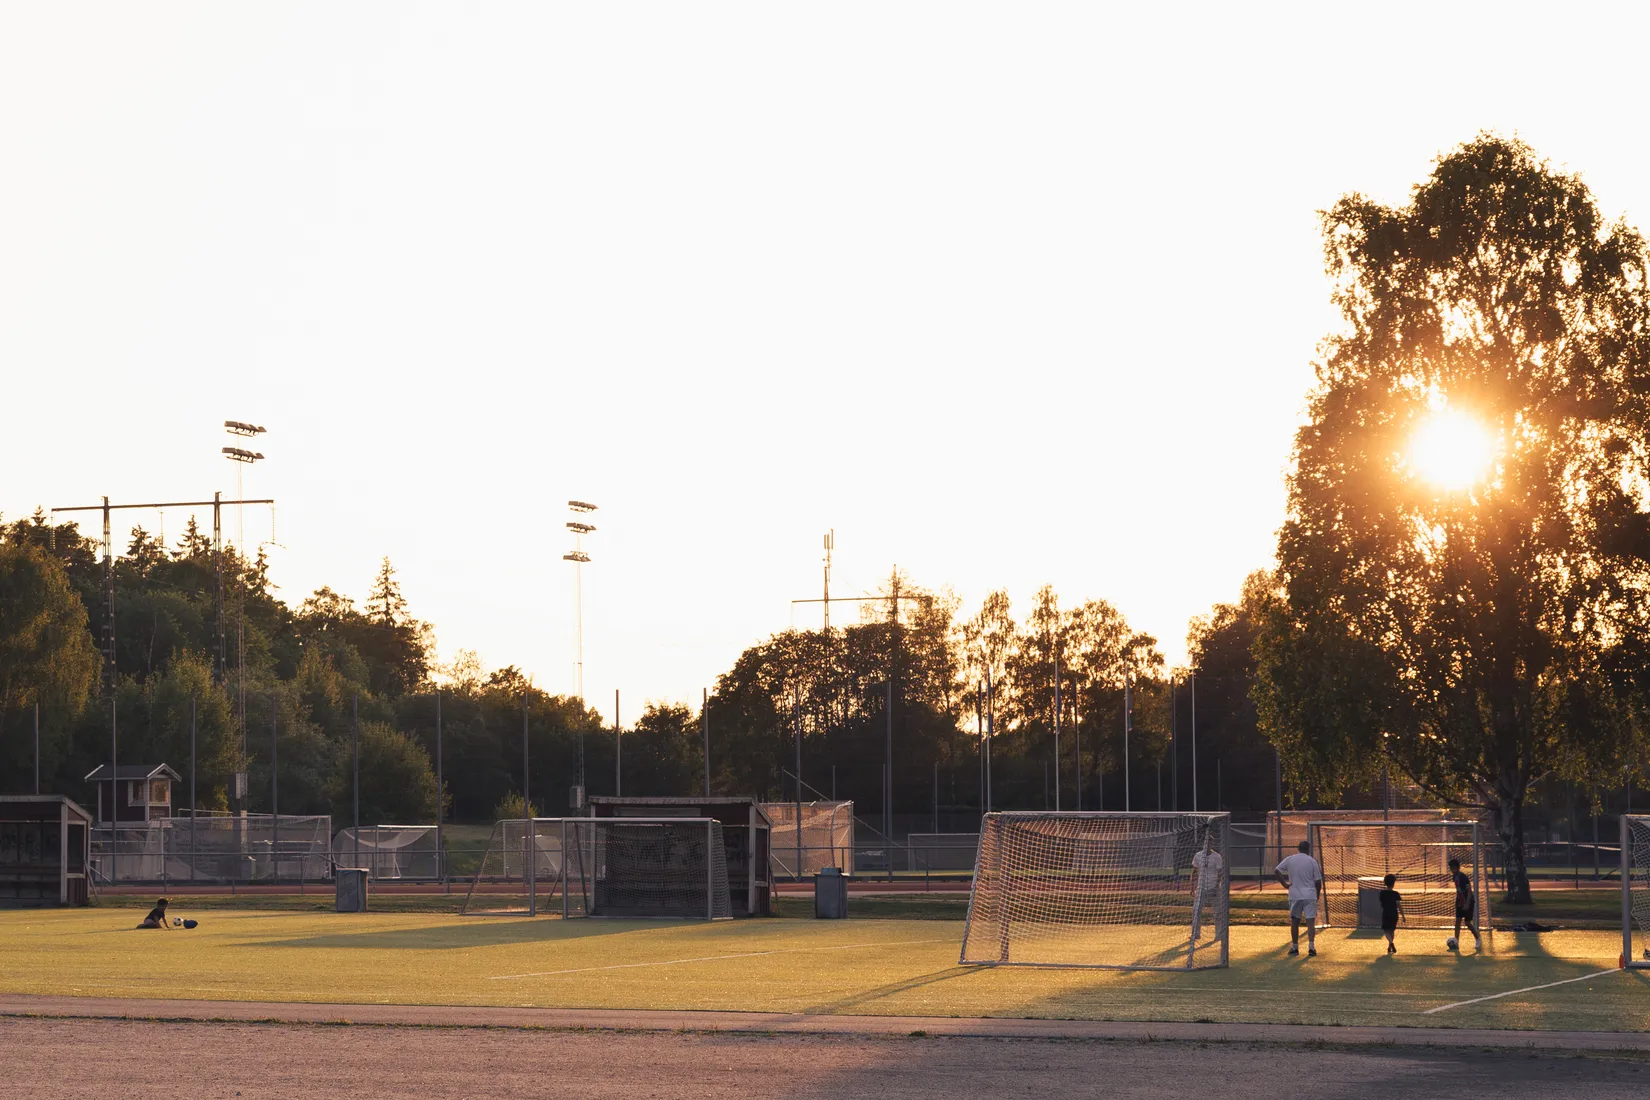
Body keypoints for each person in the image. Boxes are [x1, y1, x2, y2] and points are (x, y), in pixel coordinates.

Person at [1275, 840, 1323, 957]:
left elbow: (1277, 870)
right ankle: (1311, 947)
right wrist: (1316, 895)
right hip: (1309, 895)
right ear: (1308, 849)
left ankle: (1295, 947)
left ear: (1298, 848)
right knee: (1310, 922)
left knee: (1295, 922)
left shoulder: (1290, 859)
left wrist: (1285, 885)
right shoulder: (1312, 861)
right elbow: (1318, 881)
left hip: (1295, 895)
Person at [1189, 833, 1226, 945]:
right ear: (1202, 843)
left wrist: (1216, 886)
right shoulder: (1198, 855)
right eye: (1205, 842)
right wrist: (1192, 886)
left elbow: (1220, 873)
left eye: (1210, 842)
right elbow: (1194, 871)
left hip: (1214, 887)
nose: (1207, 844)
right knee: (1196, 910)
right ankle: (1196, 934)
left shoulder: (1217, 857)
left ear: (1212, 843)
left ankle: (1219, 934)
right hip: (1201, 888)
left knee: (1218, 912)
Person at [1448, 858, 1482, 950]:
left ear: (1458, 868)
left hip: (1468, 902)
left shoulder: (1463, 877)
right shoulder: (1454, 877)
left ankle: (1478, 939)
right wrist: (1459, 901)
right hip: (1459, 902)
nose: (1452, 870)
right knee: (1457, 922)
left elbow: (1469, 891)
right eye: (1451, 868)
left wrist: (1467, 903)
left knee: (1467, 922)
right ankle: (1456, 942)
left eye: (1454, 868)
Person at [1378, 873, 1405, 954]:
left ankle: (1391, 943)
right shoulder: (1396, 894)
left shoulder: (1382, 893)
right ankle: (1390, 947)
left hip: (1386, 913)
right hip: (1394, 914)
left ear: (1385, 883)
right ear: (1394, 883)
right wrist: (1403, 915)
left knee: (1386, 931)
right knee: (1392, 931)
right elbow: (1399, 905)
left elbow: (1381, 903)